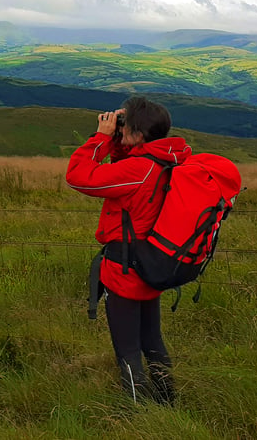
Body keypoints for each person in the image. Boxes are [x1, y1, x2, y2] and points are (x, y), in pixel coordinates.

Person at [65, 96, 192, 405]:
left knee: (128, 348)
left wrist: (101, 138)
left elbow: (78, 176)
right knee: (152, 341)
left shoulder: (139, 170)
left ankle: (136, 411)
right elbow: (127, 166)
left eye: (126, 129)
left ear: (137, 134)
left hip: (125, 270)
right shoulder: (167, 160)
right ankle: (167, 402)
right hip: (152, 263)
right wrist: (123, 139)